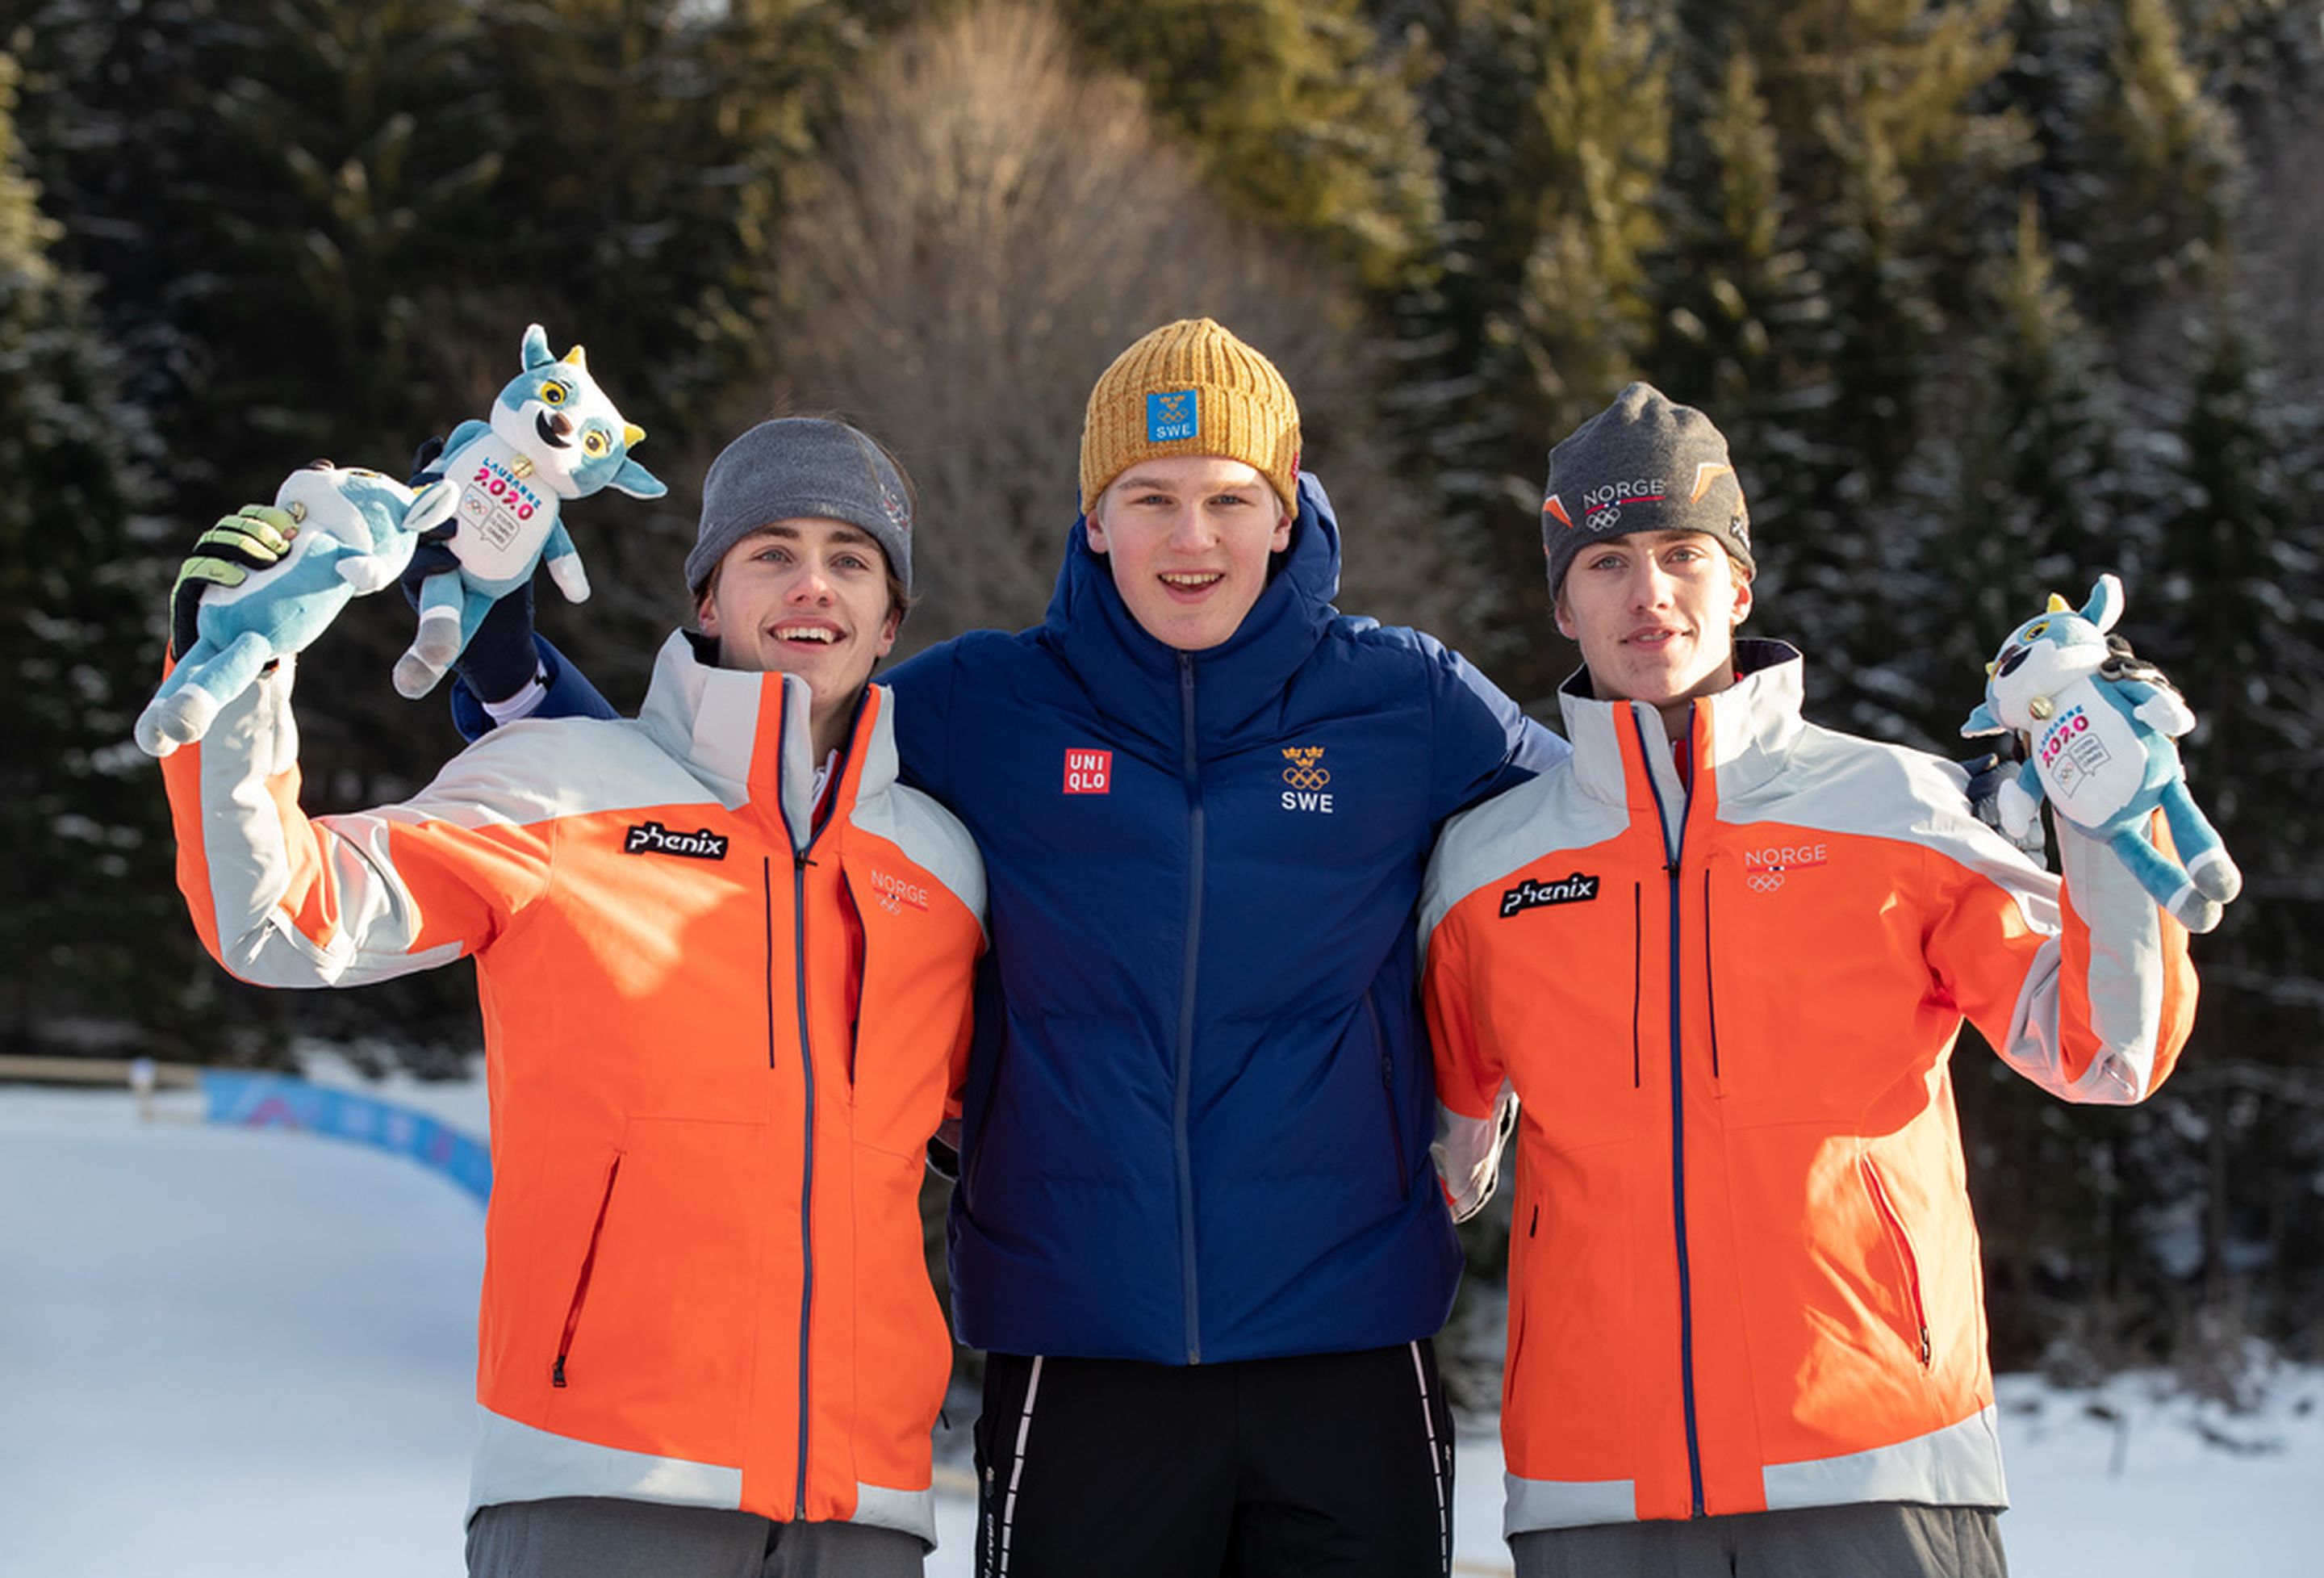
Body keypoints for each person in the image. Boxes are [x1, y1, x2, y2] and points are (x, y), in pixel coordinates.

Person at [394, 320, 1573, 1576]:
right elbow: (711, 800)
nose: (1192, 539)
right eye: (1150, 498)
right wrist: (514, 667)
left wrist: (1471, 1073)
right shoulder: (975, 708)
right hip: (1077, 1348)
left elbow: (1600, 854)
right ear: (1094, 516)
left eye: (1232, 500)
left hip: (1349, 1346)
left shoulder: (1409, 698)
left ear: (1285, 516)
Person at [158, 419, 988, 1578]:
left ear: (891, 619)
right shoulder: (561, 790)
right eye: (773, 552)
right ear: (707, 597)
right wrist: (237, 665)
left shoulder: (942, 868)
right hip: (602, 1487)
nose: (813, 584)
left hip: (867, 1516)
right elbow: (283, 917)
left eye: (852, 559)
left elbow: (1013, 1114)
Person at [1417, 384, 2201, 1577]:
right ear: (1563, 602)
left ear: (1737, 582)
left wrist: (2105, 834)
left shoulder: (1905, 810)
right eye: (1608, 562)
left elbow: (2106, 1055)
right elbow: (1438, 1164)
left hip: (1882, 1457)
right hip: (1592, 1488)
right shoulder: (1487, 868)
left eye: (1684, 553)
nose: (1650, 593)